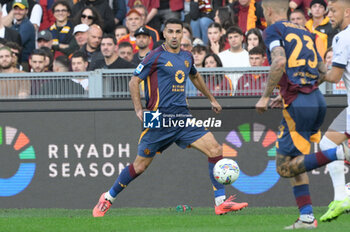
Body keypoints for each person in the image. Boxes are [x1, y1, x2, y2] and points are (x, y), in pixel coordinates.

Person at [92, 18, 248, 218]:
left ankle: (220, 203)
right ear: (164, 34)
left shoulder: (186, 56)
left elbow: (194, 75)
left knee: (215, 148)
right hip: (158, 119)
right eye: (171, 32)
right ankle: (108, 197)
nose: (175, 36)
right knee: (140, 166)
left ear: (183, 34)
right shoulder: (154, 56)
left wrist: (211, 98)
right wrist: (138, 109)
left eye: (178, 32)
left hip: (182, 117)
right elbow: (133, 82)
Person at [255, 0, 350, 229]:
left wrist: (266, 96)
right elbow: (321, 68)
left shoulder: (273, 30)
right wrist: (295, 89)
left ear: (267, 11)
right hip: (315, 98)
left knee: (283, 167)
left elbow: (278, 61)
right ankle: (306, 217)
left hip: (299, 103)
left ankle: (340, 151)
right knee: (295, 161)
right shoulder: (304, 30)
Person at [316, 0, 350, 223]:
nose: (329, 15)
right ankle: (342, 196)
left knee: (327, 144)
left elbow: (334, 76)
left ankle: (342, 196)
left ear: (348, 12)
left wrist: (312, 73)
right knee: (328, 144)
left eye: (334, 11)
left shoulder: (342, 37)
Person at [11, 0, 35, 66]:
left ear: (26, 11)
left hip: (24, 63)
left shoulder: (27, 25)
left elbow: (16, 43)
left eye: (21, 9)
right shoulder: (14, 26)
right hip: (15, 62)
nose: (18, 12)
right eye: (15, 9)